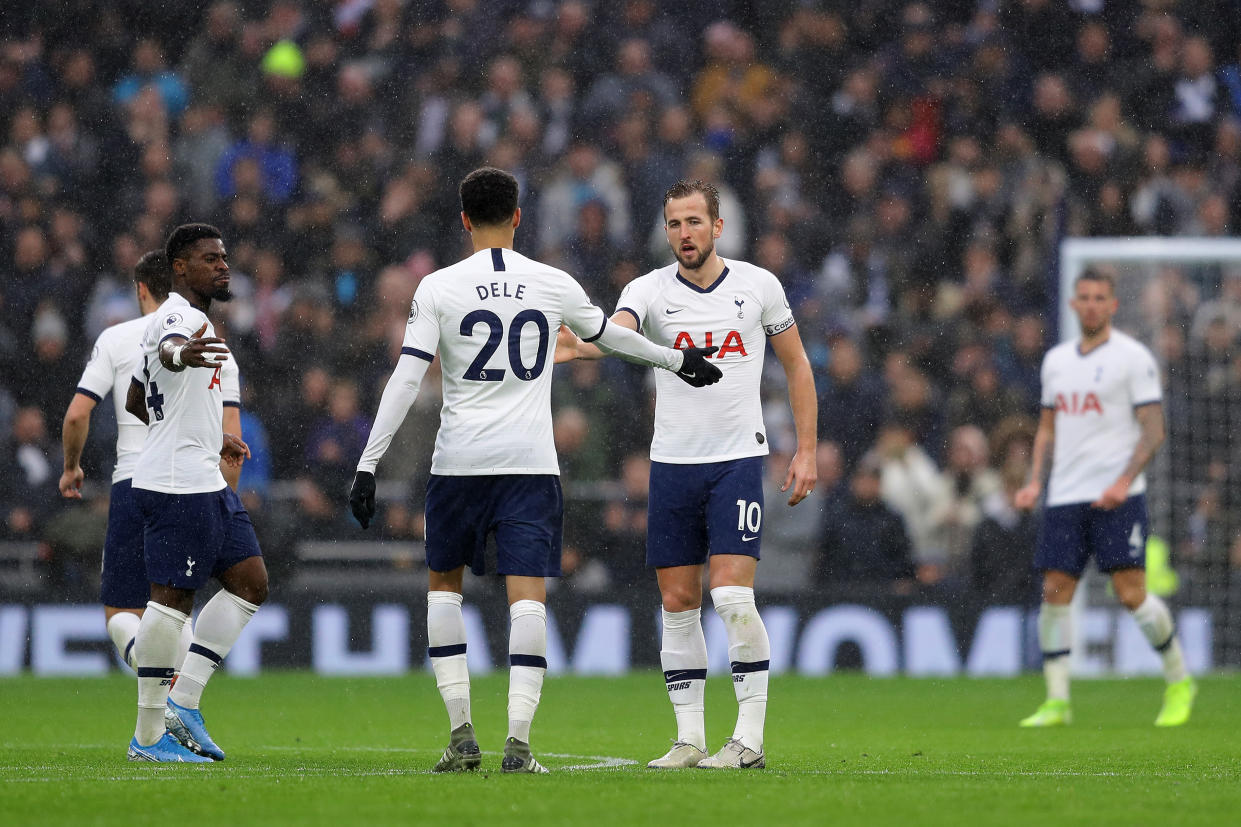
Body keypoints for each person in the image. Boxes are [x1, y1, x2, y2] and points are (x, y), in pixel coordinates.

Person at [347, 167, 720, 775]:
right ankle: (519, 744)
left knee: (445, 591)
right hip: (528, 464)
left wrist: (368, 466)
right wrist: (679, 360)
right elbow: (616, 341)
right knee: (529, 601)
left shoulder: (437, 288)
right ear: (518, 217)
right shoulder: (552, 282)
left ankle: (462, 735)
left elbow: (406, 378)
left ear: (464, 219)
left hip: (459, 464)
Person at [558, 179, 818, 770]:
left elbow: (798, 366)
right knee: (677, 603)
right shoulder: (648, 289)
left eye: (695, 222)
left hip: (735, 460)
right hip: (671, 464)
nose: (685, 234)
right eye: (675, 224)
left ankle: (749, 738)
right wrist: (582, 346)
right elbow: (617, 332)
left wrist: (806, 451)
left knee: (729, 594)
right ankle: (690, 739)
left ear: (718, 226)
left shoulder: (759, 286)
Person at [1014, 270, 1195, 727]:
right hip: (1067, 495)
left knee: (1131, 594)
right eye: (1084, 298)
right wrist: (1036, 482)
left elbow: (1154, 430)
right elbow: (1048, 429)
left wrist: (1123, 480)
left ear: (1112, 306)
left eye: (1100, 298)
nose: (1091, 304)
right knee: (1055, 592)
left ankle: (1179, 679)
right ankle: (1057, 701)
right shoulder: (1056, 361)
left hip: (1119, 496)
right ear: (1074, 305)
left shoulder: (1133, 358)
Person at [59, 250, 242, 676]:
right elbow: (230, 436)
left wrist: (72, 467)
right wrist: (224, 505)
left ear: (142, 288)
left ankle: (150, 668)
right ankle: (180, 693)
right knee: (176, 600)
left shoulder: (117, 338)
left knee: (122, 610)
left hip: (134, 483)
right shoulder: (214, 345)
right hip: (194, 486)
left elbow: (76, 414)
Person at [122, 223, 267, 762]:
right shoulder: (182, 317)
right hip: (179, 484)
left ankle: (184, 702)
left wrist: (208, 431)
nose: (223, 266)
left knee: (250, 582)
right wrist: (182, 356)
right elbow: (169, 351)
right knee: (172, 602)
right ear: (179, 268)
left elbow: (139, 400)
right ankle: (148, 735)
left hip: (201, 473)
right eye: (210, 259)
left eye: (224, 257)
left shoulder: (179, 318)